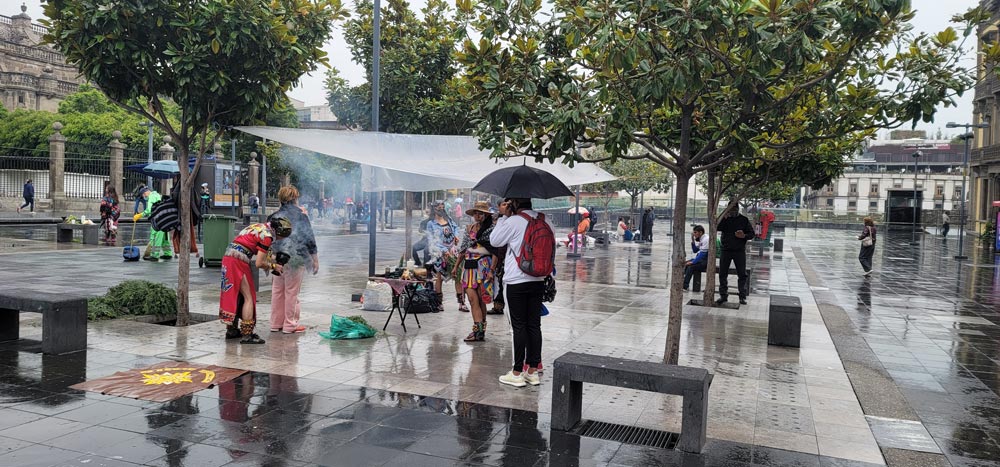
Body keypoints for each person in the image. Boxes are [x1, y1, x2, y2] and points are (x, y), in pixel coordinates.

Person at [490, 197, 548, 388]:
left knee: (518, 326)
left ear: (513, 203)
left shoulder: (513, 221)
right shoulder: (544, 220)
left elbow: (495, 240)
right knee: (534, 325)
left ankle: (516, 373)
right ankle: (532, 371)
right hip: (538, 279)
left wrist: (502, 218)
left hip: (516, 280)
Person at [220, 216, 292, 344]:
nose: (281, 239)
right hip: (238, 261)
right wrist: (274, 266)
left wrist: (274, 259)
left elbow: (260, 252)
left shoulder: (259, 227)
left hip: (229, 257)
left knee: (235, 295)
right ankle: (247, 335)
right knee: (248, 297)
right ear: (279, 232)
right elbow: (259, 263)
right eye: (282, 236)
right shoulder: (268, 237)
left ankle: (231, 331)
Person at [269, 186, 319, 334]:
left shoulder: (273, 216)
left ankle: (275, 323)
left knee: (277, 291)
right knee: (292, 292)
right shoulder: (301, 216)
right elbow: (309, 239)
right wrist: (315, 260)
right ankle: (290, 325)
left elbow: (268, 240)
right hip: (296, 257)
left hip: (277, 258)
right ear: (295, 198)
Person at [455, 202, 497, 342]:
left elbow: (496, 251)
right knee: (473, 300)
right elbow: (463, 249)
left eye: (480, 213)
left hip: (483, 268)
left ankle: (480, 331)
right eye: (475, 213)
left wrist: (492, 270)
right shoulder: (468, 229)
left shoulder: (492, 230)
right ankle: (477, 330)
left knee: (481, 300)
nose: (477, 216)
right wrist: (456, 267)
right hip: (468, 268)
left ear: (486, 215)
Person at [425, 200, 461, 311]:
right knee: (439, 277)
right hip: (439, 253)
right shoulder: (431, 224)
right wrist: (444, 250)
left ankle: (461, 302)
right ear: (434, 209)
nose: (441, 209)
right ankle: (439, 303)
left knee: (457, 276)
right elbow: (432, 240)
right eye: (438, 207)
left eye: (442, 207)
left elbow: (456, 228)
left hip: (452, 252)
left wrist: (456, 236)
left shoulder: (448, 220)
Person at [716, 206, 755, 305]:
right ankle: (723, 295)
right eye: (730, 210)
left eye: (734, 209)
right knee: (722, 273)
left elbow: (751, 234)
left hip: (739, 251)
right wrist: (723, 218)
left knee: (742, 274)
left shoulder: (743, 220)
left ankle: (742, 296)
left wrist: (744, 236)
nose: (732, 212)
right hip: (726, 250)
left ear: (738, 209)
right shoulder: (725, 219)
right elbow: (716, 228)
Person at [133, 187, 174, 261]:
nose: (144, 197)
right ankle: (167, 253)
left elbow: (149, 210)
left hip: (157, 221)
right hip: (164, 220)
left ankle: (155, 255)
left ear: (145, 193)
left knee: (156, 239)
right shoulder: (158, 195)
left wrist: (139, 215)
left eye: (143, 195)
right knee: (165, 239)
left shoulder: (151, 197)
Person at [170, 177, 202, 258]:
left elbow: (174, 197)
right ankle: (189, 248)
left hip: (181, 213)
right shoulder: (189, 187)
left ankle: (179, 249)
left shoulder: (180, 186)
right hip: (187, 213)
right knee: (188, 230)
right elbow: (194, 201)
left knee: (179, 231)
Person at [683, 225, 709, 291]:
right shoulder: (702, 239)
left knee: (690, 267)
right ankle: (684, 282)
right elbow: (695, 250)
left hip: (705, 261)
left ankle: (685, 286)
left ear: (700, 232)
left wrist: (693, 262)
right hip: (701, 259)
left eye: (695, 232)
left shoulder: (706, 239)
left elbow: (703, 254)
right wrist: (692, 240)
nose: (694, 234)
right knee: (685, 263)